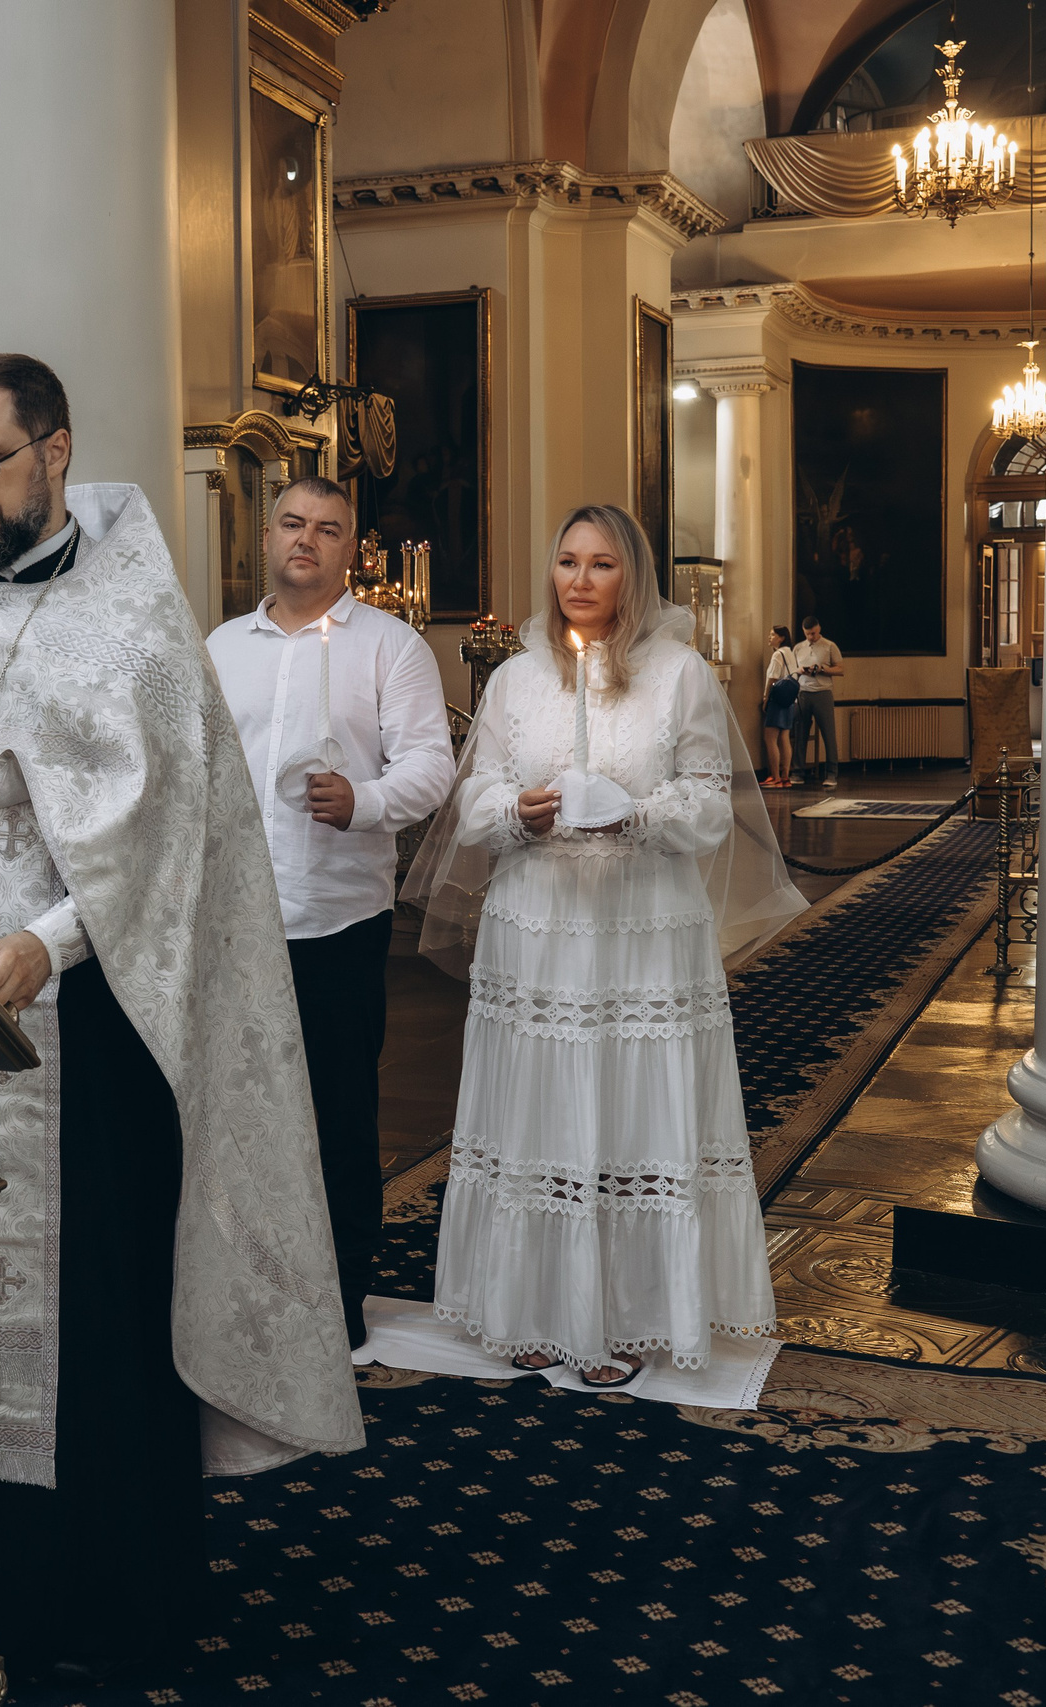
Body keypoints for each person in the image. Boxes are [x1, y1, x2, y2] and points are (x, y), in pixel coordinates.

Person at [0, 351, 359, 1680]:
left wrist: (49, 937)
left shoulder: (134, 627)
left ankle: (91, 1603)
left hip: (83, 1036)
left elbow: (178, 844)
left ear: (54, 451)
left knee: (88, 1311)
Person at [405, 504, 801, 1387]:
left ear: (635, 575)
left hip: (641, 927)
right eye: (568, 562)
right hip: (539, 924)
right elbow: (475, 800)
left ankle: (626, 1311)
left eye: (602, 564)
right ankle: (535, 1305)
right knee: (541, 1105)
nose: (580, 581)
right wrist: (520, 809)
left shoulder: (680, 675)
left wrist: (634, 811)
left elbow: (708, 803)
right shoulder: (515, 678)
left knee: (628, 1104)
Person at [204, 475, 455, 1353]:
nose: (305, 540)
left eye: (328, 529)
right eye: (292, 524)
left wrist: (367, 800)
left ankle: (341, 1301)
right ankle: (246, 1288)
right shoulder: (222, 646)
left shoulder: (390, 647)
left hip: (337, 918)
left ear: (352, 550)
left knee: (338, 1113)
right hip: (235, 918)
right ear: (267, 538)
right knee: (235, 1112)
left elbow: (433, 763)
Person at [790, 616, 844, 789]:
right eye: (807, 634)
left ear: (818, 628)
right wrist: (800, 670)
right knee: (800, 733)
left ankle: (831, 774)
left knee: (828, 734)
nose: (810, 637)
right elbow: (792, 670)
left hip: (823, 693)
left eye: (813, 633)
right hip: (803, 693)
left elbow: (840, 669)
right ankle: (798, 772)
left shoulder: (829, 646)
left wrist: (822, 669)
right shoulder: (798, 648)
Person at [760, 624, 800, 788]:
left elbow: (773, 678)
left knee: (770, 738)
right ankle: (785, 777)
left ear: (781, 637)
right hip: (790, 700)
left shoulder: (777, 654)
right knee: (784, 738)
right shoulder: (790, 653)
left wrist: (766, 698)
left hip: (777, 700)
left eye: (772, 635)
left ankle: (775, 777)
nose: (769, 638)